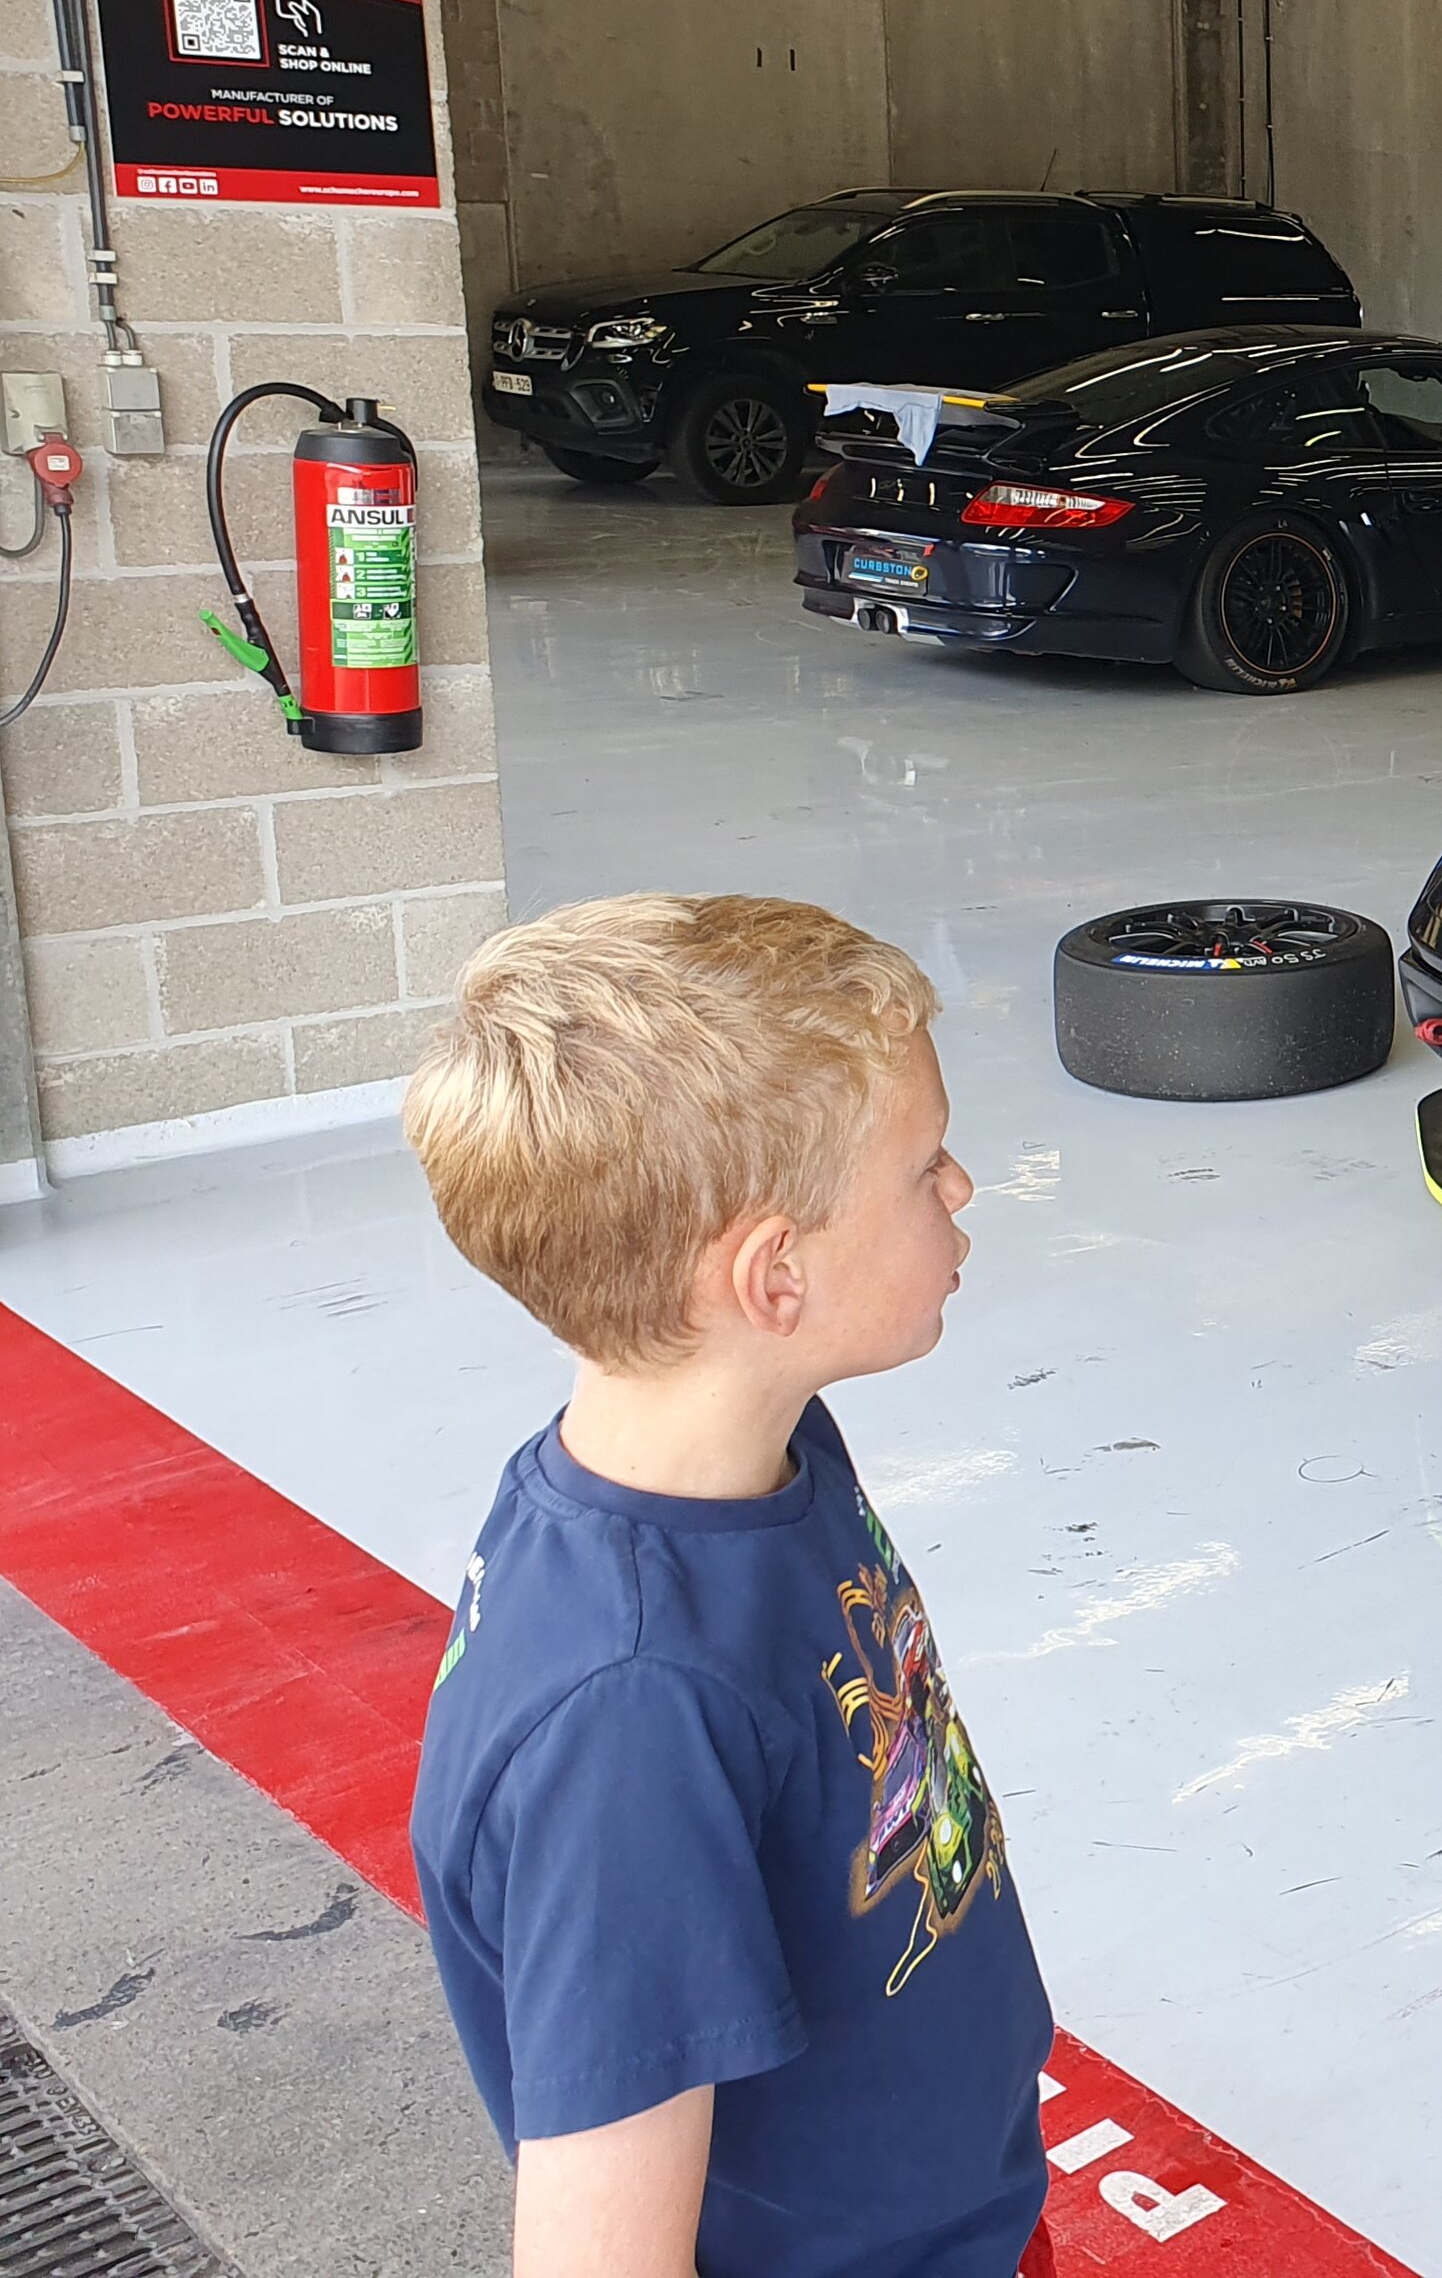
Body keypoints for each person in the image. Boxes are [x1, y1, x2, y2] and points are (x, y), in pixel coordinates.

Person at [404, 896, 1053, 2278]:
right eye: (923, 1167)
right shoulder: (631, 1713)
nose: (961, 1191)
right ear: (775, 1276)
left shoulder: (764, 1444)